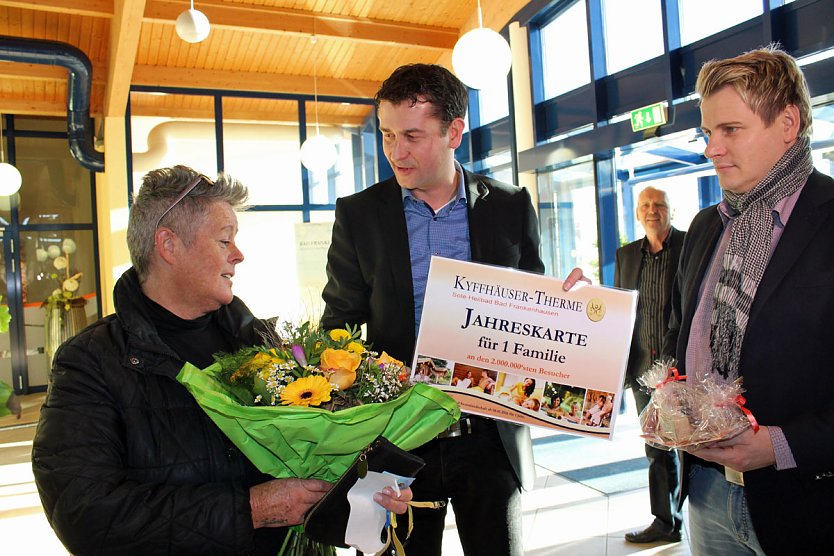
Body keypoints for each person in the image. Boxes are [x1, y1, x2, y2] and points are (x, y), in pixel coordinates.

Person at [31, 166, 411, 555]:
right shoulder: (90, 363)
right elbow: (86, 516)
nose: (239, 255)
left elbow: (309, 467)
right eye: (224, 240)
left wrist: (365, 489)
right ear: (168, 245)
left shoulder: (265, 345)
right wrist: (251, 509)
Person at [321, 63, 544, 555]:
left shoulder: (510, 206)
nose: (395, 153)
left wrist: (573, 304)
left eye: (413, 136)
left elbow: (535, 311)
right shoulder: (359, 215)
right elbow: (338, 323)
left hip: (490, 439)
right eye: (386, 135)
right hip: (397, 438)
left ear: (454, 133)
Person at [664, 46, 834, 555]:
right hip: (707, 493)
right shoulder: (704, 227)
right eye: (707, 132)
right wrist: (592, 315)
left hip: (809, 501)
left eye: (730, 130)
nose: (711, 148)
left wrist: (778, 446)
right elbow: (678, 343)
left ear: (787, 123)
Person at [614, 186, 685, 544]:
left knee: (693, 446)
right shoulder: (626, 255)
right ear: (637, 213)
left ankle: (694, 512)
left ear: (671, 209)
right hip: (643, 369)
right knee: (657, 447)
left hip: (682, 369)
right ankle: (666, 521)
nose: (652, 210)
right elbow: (618, 311)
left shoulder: (690, 245)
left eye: (659, 204)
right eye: (645, 205)